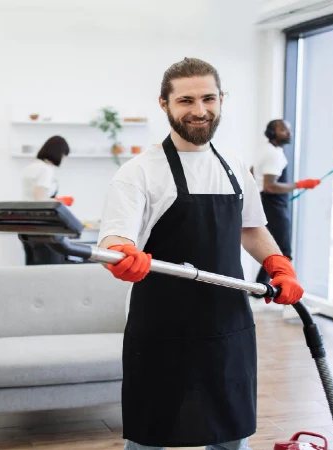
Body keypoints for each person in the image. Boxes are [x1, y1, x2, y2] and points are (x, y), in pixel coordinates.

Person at [96, 58, 306, 450]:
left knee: (230, 433)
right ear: (164, 104)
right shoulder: (138, 172)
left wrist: (279, 265)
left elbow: (252, 228)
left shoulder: (234, 167)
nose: (199, 110)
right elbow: (114, 239)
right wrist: (123, 256)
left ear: (222, 99)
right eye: (186, 100)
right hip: (162, 327)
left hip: (227, 324)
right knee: (150, 435)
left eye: (208, 98)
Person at [251, 119, 320, 289]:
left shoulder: (268, 151)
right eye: (283, 130)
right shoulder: (273, 154)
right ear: (272, 133)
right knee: (283, 251)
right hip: (272, 204)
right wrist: (300, 185)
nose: (288, 133)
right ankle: (287, 294)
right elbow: (270, 186)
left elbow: (252, 172)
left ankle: (260, 289)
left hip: (268, 203)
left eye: (288, 130)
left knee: (275, 249)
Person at [20, 135, 73, 265]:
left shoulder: (30, 167)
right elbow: (40, 201)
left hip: (24, 224)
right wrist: (60, 201)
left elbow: (33, 197)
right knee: (50, 271)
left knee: (33, 268)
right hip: (42, 227)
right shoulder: (46, 170)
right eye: (64, 155)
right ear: (59, 153)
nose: (63, 158)